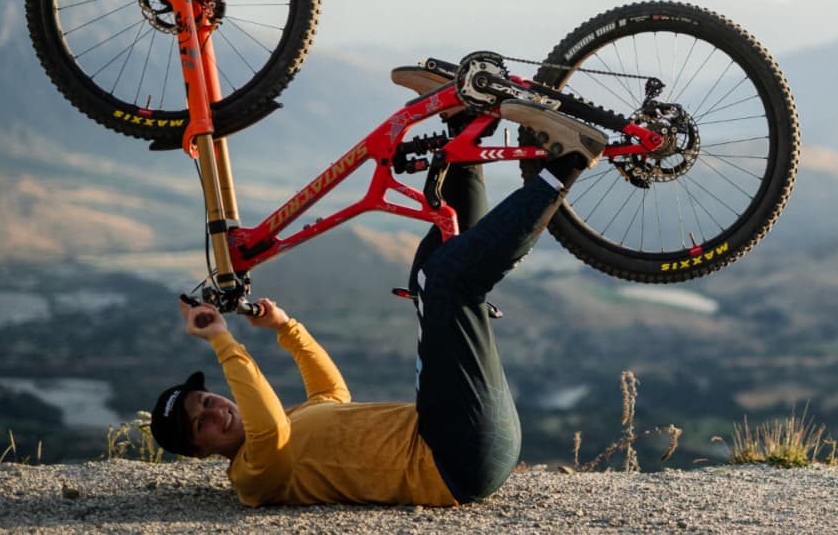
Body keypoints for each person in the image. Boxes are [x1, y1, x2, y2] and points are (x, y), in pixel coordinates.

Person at [150, 68, 607, 506]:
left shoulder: (294, 425)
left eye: (205, 401)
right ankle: (567, 163)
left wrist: (286, 329)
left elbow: (332, 395)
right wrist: (221, 340)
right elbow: (266, 426)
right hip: (455, 461)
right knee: (447, 282)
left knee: (426, 276)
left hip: (457, 433)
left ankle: (461, 127)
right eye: (200, 424)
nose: (214, 412)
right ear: (197, 453)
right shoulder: (254, 474)